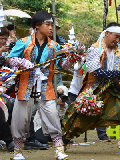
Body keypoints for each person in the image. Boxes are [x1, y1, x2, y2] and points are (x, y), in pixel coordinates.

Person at [62, 22, 120, 154]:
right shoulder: (94, 49)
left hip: (114, 90)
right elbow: (95, 72)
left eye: (119, 37)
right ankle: (64, 142)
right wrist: (116, 73)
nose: (117, 40)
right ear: (107, 33)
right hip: (95, 91)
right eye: (116, 36)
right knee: (80, 120)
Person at [7, 11, 71, 160]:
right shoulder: (23, 42)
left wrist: (69, 59)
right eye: (47, 24)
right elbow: (10, 59)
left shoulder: (55, 46)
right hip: (25, 87)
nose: (51, 28)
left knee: (53, 117)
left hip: (46, 88)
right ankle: (17, 151)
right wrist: (21, 61)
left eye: (52, 25)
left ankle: (59, 150)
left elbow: (63, 66)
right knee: (20, 118)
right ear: (37, 25)